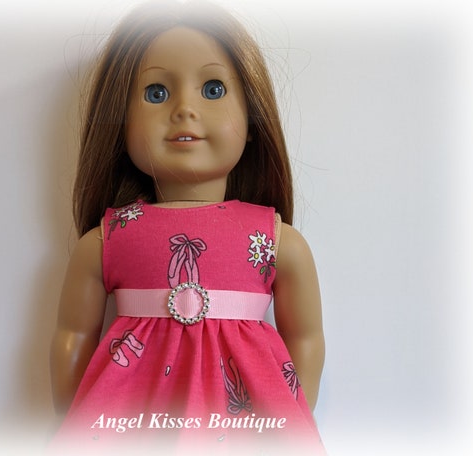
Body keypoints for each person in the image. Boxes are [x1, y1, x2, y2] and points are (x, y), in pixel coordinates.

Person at [49, 1, 325, 454]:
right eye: (156, 92)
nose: (184, 109)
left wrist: (292, 414)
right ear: (122, 122)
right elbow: (72, 337)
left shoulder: (275, 241)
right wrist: (73, 418)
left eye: (213, 89)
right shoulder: (108, 239)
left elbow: (307, 339)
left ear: (252, 120)